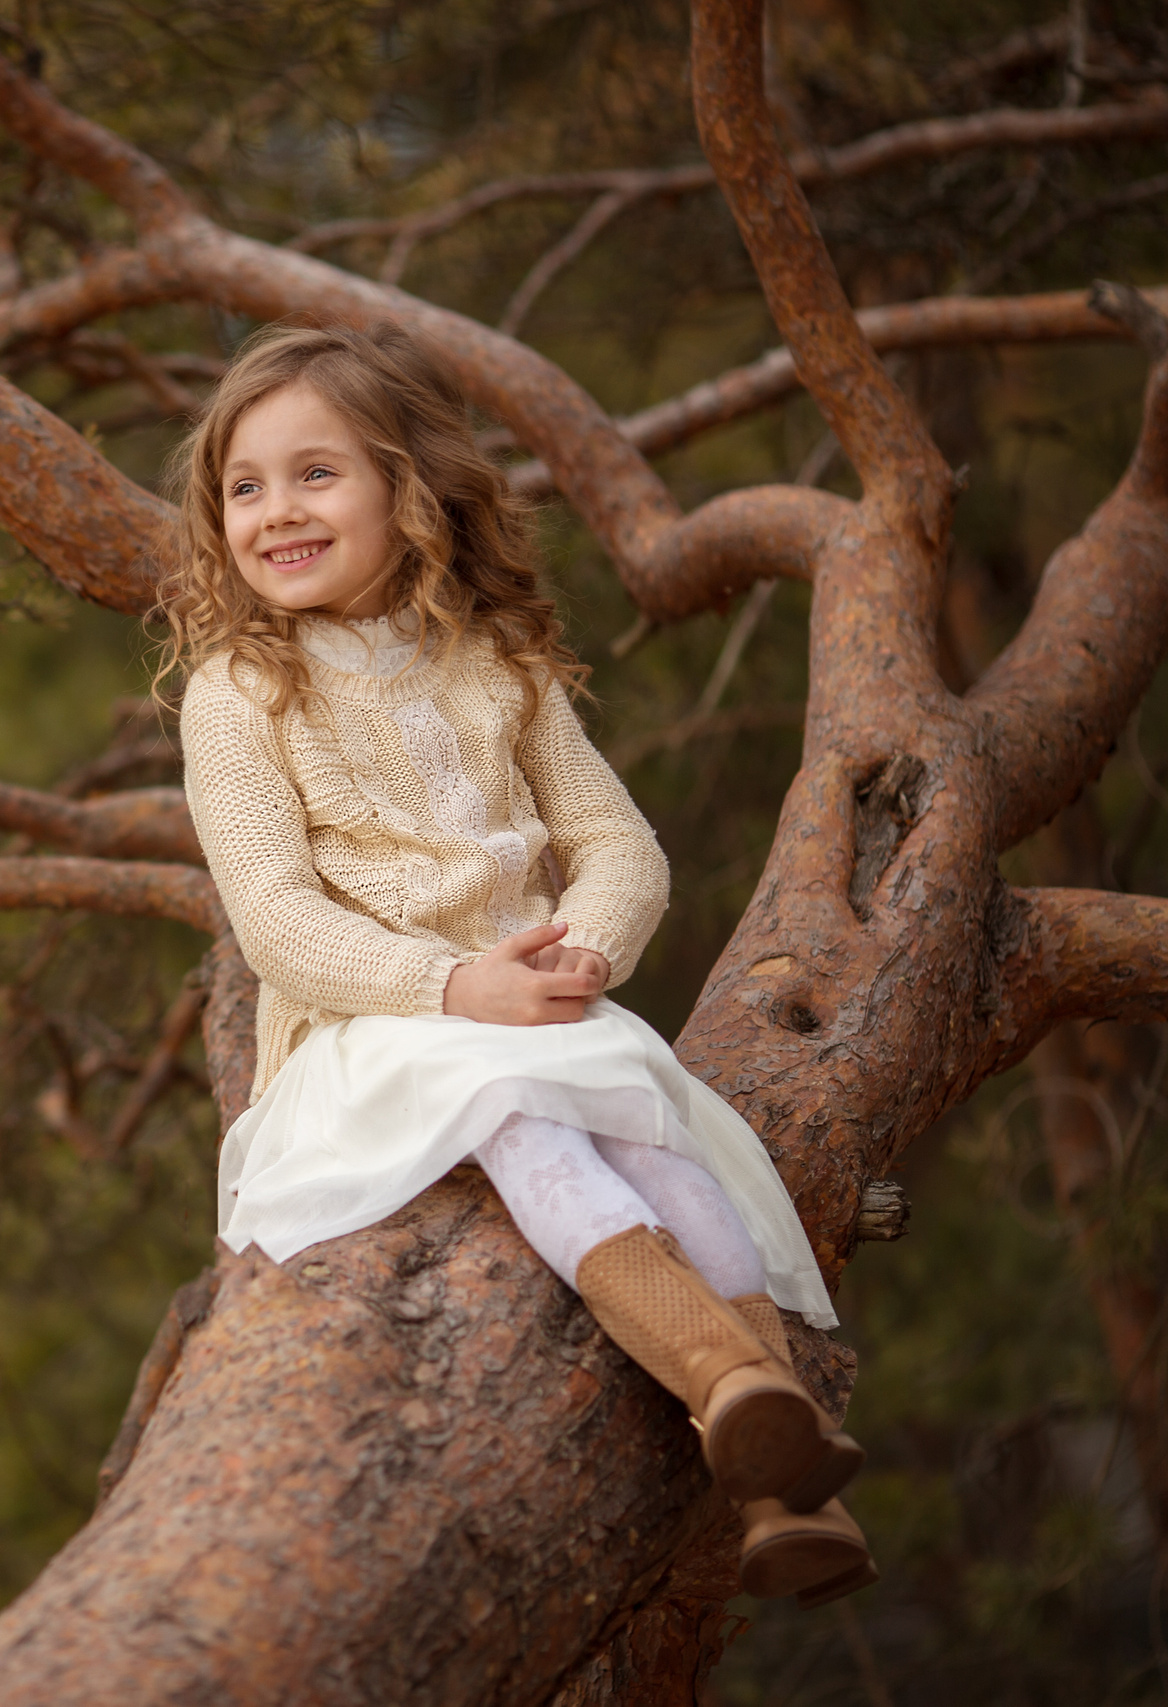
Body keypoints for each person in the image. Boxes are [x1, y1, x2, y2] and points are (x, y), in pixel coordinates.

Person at [161, 319, 874, 1607]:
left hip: (529, 997)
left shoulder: (493, 664)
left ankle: (780, 1469)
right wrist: (455, 989)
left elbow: (619, 844)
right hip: (375, 1023)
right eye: (245, 488)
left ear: (407, 484)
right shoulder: (239, 690)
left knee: (657, 1135)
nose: (275, 512)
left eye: (316, 474)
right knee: (523, 1122)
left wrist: (580, 956)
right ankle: (725, 1383)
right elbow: (275, 921)